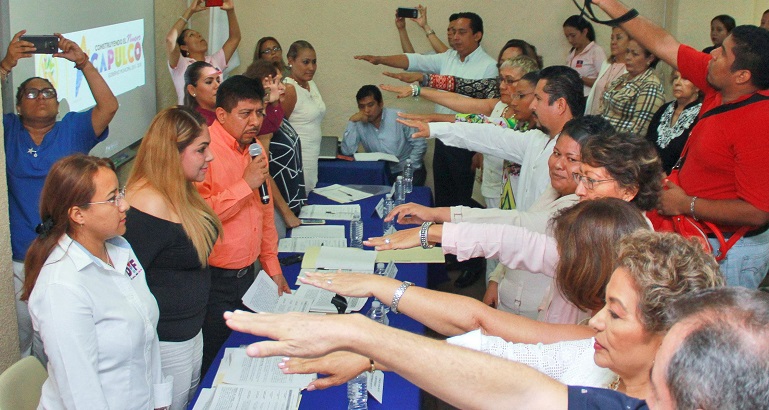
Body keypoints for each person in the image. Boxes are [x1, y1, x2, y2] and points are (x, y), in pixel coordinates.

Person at [220, 247, 758, 410]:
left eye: (615, 313)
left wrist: (364, 337)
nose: (594, 319)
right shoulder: (600, 365)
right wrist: (371, 351)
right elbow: (498, 360)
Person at [594, 0, 769, 288]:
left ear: (743, 76)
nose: (711, 53)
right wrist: (609, 5)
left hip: (729, 251)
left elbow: (758, 210)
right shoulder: (718, 82)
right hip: (692, 234)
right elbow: (663, 43)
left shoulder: (759, 122)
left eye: (722, 52)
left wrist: (688, 204)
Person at [398, 65, 584, 287]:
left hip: (545, 272)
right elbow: (491, 136)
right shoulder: (537, 140)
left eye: (538, 98)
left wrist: (438, 224)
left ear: (560, 104)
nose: (532, 105)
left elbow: (523, 223)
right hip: (516, 257)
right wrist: (435, 130)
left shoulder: (581, 156)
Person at [1, 30, 118, 360]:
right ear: (18, 105)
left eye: (48, 92)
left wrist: (83, 63)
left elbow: (109, 106)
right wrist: (6, 64)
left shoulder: (72, 128)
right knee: (24, 337)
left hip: (69, 250)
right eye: (32, 93)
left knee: (66, 341)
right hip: (21, 257)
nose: (41, 97)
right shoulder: (8, 129)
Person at [23, 155, 171, 409]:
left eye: (120, 193)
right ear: (78, 214)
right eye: (113, 198)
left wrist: (159, 401)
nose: (124, 205)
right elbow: (81, 393)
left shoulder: (119, 247)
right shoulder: (61, 287)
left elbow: (147, 334)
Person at [123, 107, 222, 410]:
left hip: (191, 331)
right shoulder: (146, 204)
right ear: (171, 152)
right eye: (201, 149)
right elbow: (125, 288)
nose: (210, 157)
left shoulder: (181, 189)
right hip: (166, 341)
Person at [195, 75, 289, 374]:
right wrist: (245, 183)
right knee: (213, 363)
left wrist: (272, 267)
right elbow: (199, 216)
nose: (255, 121)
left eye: (259, 113)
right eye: (245, 114)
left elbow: (264, 211)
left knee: (245, 359)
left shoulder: (256, 150)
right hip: (213, 281)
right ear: (221, 114)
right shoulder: (203, 152)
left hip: (249, 277)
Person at [379, 55, 539, 209]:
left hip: (515, 197)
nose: (502, 86)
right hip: (491, 187)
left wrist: (432, 124)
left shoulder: (529, 124)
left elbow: (476, 126)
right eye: (501, 79)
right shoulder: (500, 105)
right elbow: (461, 105)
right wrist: (419, 92)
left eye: (510, 81)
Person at [244, 60, 307, 239]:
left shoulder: (275, 109)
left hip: (291, 198)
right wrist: (286, 212)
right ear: (264, 85)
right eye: (277, 82)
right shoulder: (261, 123)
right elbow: (264, 171)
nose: (283, 88)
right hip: (275, 206)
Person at [341, 85, 427, 186]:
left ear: (381, 104)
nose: (366, 110)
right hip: (380, 171)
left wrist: (407, 171)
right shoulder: (359, 123)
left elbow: (420, 144)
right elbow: (347, 152)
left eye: (370, 105)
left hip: (408, 169)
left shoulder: (399, 116)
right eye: (362, 107)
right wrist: (352, 122)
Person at [166, 0, 241, 105]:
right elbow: (170, 40)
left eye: (199, 34)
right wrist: (190, 11)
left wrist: (230, 11)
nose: (199, 36)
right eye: (192, 35)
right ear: (184, 47)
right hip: (189, 119)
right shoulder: (181, 64)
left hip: (215, 117)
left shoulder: (214, 61)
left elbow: (234, 39)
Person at [281, 40, 325, 192]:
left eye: (314, 62)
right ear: (290, 60)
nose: (311, 68)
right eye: (305, 62)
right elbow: (280, 129)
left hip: (313, 157)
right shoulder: (289, 89)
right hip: (297, 160)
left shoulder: (310, 84)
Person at [600, 39, 664, 135]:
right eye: (627, 52)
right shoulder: (623, 78)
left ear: (650, 58)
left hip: (621, 146)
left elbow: (638, 131)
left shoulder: (651, 86)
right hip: (601, 137)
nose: (628, 57)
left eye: (634, 54)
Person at [645, 69, 702, 174]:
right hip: (649, 172)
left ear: (698, 86)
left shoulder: (701, 116)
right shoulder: (664, 109)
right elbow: (647, 143)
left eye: (685, 79)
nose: (677, 83)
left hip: (678, 178)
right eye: (675, 78)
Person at [585, 26, 629, 115]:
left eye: (618, 38)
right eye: (612, 38)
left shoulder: (631, 69)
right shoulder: (607, 64)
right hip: (594, 120)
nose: (613, 42)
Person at [563, 15, 607, 96]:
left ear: (584, 32)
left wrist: (579, 78)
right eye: (567, 37)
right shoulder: (571, 53)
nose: (570, 40)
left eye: (573, 36)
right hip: (574, 98)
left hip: (589, 98)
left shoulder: (596, 51)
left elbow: (604, 82)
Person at [184, 61, 221, 125]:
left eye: (218, 81)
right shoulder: (195, 125)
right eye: (209, 82)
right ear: (192, 90)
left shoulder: (228, 112)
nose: (217, 85)